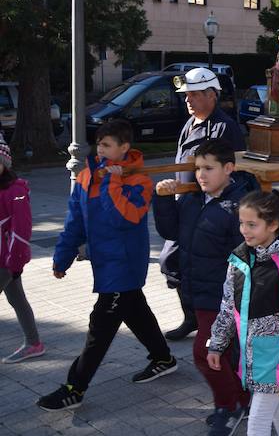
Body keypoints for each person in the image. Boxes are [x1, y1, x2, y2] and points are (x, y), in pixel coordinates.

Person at [39, 120, 176, 411]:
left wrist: (113, 182)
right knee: (135, 310)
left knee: (100, 327)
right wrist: (62, 256)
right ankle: (163, 359)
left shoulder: (139, 180)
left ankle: (74, 388)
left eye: (107, 145)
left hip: (124, 265)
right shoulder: (88, 175)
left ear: (124, 148)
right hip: (104, 263)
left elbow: (124, 218)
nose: (100, 150)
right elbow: (74, 221)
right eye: (99, 144)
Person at [153, 139, 258, 434]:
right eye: (198, 168)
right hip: (197, 290)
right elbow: (170, 231)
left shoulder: (239, 206)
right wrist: (162, 200)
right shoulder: (193, 198)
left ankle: (229, 405)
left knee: (204, 352)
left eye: (208, 168)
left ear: (229, 168)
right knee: (224, 354)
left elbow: (246, 255)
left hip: (223, 296)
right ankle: (243, 400)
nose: (201, 174)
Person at [208, 191, 279, 436]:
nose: (244, 230)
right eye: (241, 223)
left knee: (257, 423)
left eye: (252, 224)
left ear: (273, 225)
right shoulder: (240, 258)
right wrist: (217, 345)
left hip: (278, 360)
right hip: (253, 357)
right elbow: (228, 305)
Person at [164, 67, 246, 341]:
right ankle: (192, 316)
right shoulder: (190, 123)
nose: (188, 100)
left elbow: (234, 171)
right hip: (186, 203)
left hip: (211, 207)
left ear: (212, 95)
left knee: (207, 266)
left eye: (195, 94)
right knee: (172, 260)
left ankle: (216, 320)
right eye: (186, 95)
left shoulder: (225, 127)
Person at [0, 138, 44, 364]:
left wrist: (14, 263)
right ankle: (34, 343)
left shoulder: (16, 190)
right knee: (17, 299)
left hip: (6, 261)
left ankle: (33, 343)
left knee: (17, 299)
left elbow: (21, 230)